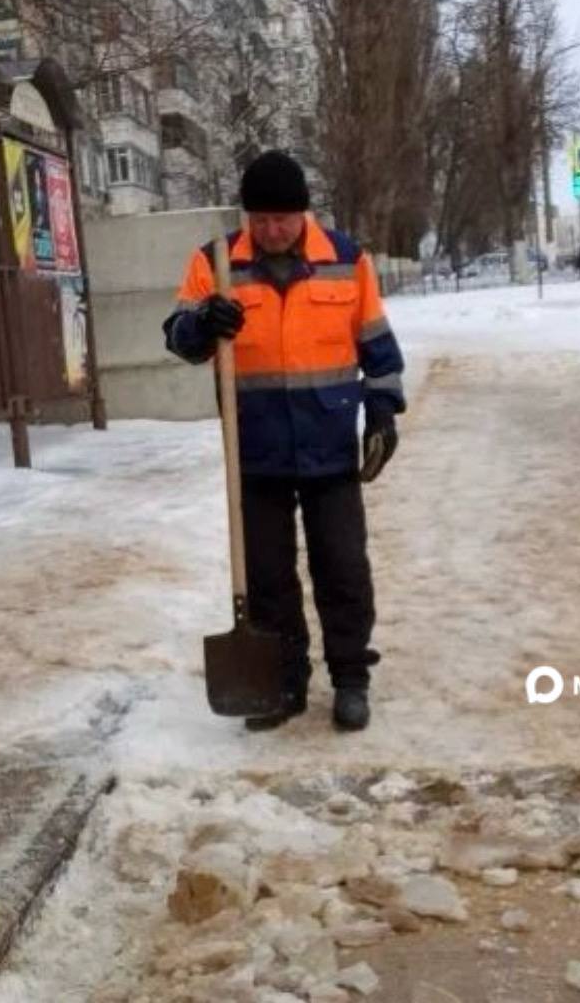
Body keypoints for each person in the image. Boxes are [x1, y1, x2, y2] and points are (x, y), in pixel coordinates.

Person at [163, 150, 405, 733]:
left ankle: (350, 677)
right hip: (254, 451)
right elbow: (178, 336)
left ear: (304, 214)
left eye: (283, 219)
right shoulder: (216, 263)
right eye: (260, 219)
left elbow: (377, 347)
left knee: (343, 568)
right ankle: (283, 680)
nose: (271, 231)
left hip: (329, 448)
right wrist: (203, 324)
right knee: (267, 577)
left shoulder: (346, 262)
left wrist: (382, 411)